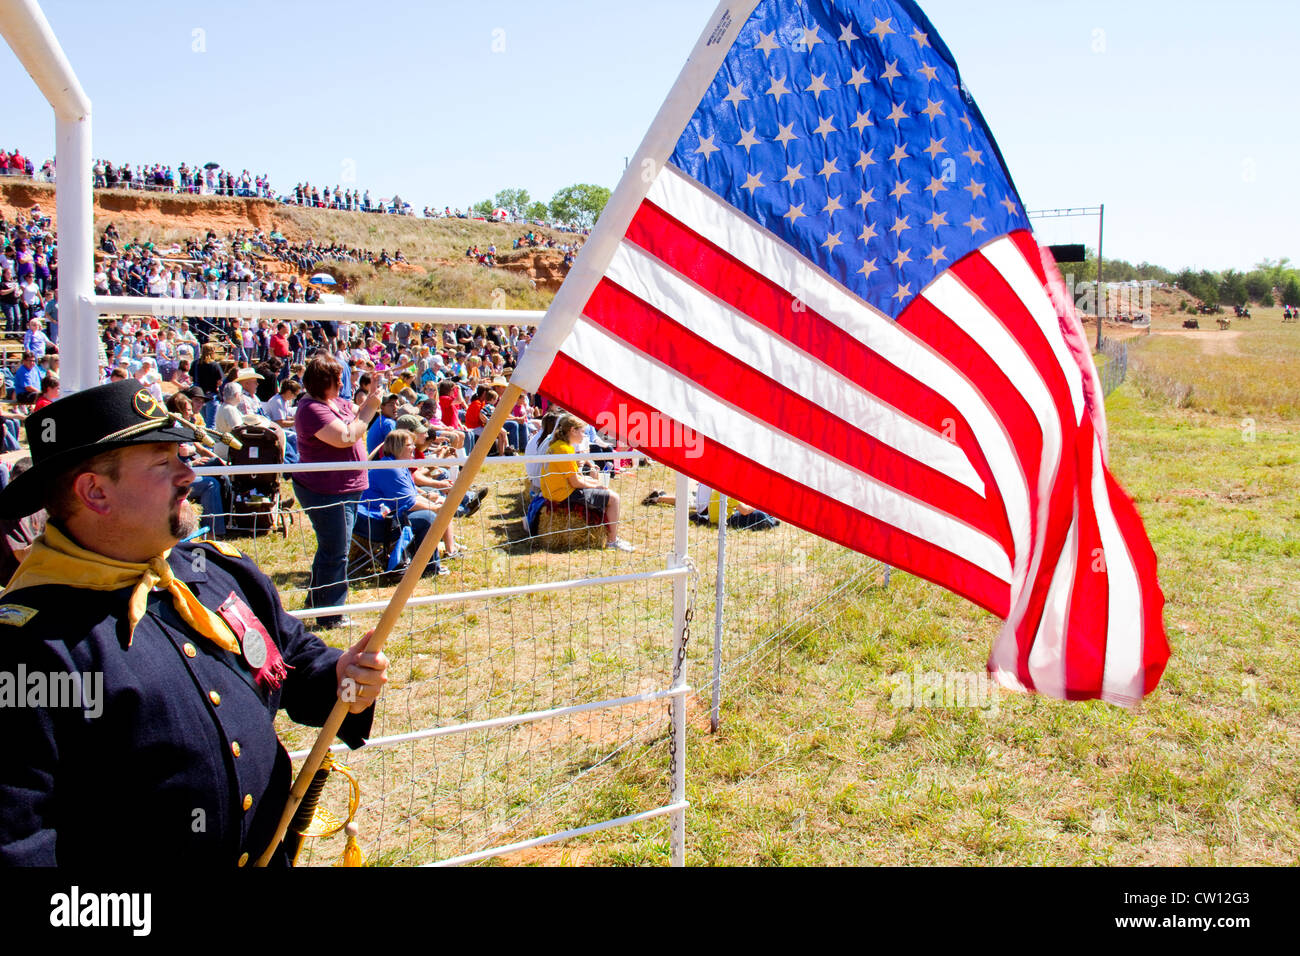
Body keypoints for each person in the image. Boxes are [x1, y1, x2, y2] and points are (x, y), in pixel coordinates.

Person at [0, 380, 388, 865]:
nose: (189, 474)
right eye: (165, 462)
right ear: (95, 491)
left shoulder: (216, 571)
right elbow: (20, 843)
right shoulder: (32, 646)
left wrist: (339, 673)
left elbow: (290, 657)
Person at [294, 352, 381, 628]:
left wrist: (372, 398)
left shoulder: (335, 402)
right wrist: (369, 410)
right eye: (337, 378)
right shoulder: (311, 409)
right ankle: (331, 614)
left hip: (345, 487)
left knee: (330, 547)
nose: (343, 382)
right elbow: (345, 436)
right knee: (337, 550)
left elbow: (356, 415)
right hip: (327, 489)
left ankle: (315, 603)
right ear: (323, 381)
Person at [540, 414, 634, 552]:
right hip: (563, 495)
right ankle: (612, 541)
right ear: (573, 430)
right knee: (614, 498)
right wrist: (597, 485)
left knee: (600, 487)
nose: (584, 436)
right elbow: (576, 482)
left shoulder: (558, 446)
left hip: (556, 491)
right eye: (583, 432)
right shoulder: (564, 450)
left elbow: (574, 477)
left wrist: (592, 481)